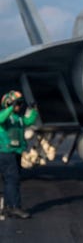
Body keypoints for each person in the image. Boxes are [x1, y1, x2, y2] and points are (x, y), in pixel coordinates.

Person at [0, 90, 38, 219]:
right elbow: (1, 118)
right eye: (17, 103)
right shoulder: (4, 116)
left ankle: (7, 207)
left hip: (16, 152)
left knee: (9, 180)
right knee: (12, 179)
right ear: (8, 104)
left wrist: (33, 110)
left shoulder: (18, 119)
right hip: (6, 152)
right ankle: (15, 207)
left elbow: (28, 121)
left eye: (20, 103)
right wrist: (10, 107)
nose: (19, 106)